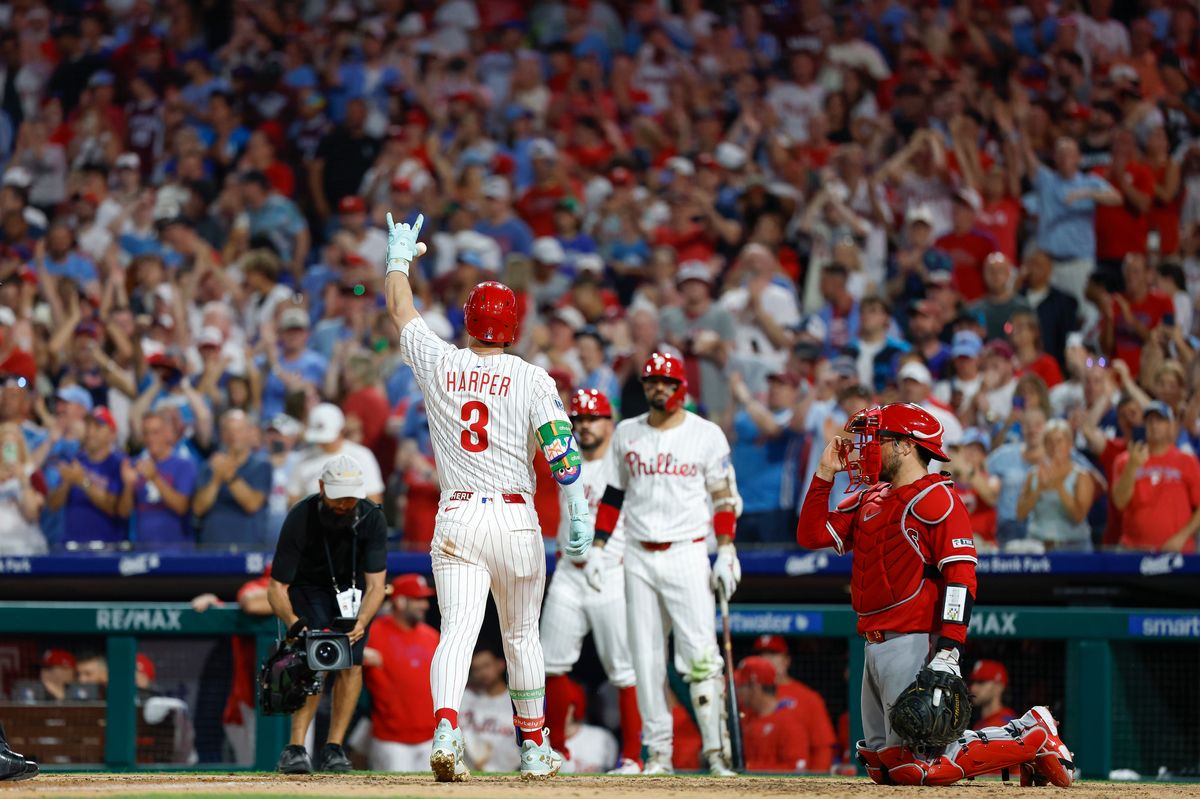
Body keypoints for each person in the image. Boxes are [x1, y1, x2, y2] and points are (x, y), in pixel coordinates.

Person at [382, 212, 591, 780]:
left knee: (457, 633)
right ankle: (532, 747)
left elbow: (401, 310)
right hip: (517, 519)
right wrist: (576, 504)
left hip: (458, 516)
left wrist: (399, 261)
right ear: (514, 327)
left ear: (469, 321)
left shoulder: (443, 362)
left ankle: (447, 729)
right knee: (522, 635)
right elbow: (561, 450)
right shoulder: (532, 377)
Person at [795, 402, 1073, 786]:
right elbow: (810, 535)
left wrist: (949, 649)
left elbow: (961, 577)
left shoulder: (937, 498)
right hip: (872, 642)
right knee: (884, 765)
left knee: (921, 765)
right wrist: (825, 474)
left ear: (908, 445)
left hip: (914, 639)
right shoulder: (868, 498)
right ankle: (1028, 738)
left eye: (880, 439)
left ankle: (1031, 735)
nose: (869, 447)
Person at [591, 351, 743, 776]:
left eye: (668, 381)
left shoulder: (706, 434)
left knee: (699, 656)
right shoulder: (625, 433)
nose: (660, 387)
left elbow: (723, 497)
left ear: (682, 387)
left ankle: (716, 753)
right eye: (653, 381)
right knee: (645, 659)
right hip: (638, 554)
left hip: (687, 552)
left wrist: (726, 550)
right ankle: (657, 754)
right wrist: (601, 547)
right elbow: (614, 495)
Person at [540, 389, 642, 773]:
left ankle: (633, 756)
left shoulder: (624, 465)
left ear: (608, 422)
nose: (584, 425)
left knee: (624, 669)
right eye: (579, 419)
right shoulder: (566, 462)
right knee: (550, 664)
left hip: (611, 570)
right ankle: (557, 751)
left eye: (592, 418)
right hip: (569, 570)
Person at [268, 454, 388, 774]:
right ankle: (295, 748)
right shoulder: (301, 517)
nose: (343, 504)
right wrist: (293, 623)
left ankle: (334, 748)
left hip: (354, 594)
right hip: (309, 588)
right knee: (316, 660)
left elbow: (377, 585)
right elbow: (277, 587)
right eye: (337, 497)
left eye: (350, 498)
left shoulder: (373, 518)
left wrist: (362, 621)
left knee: (352, 663)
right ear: (322, 488)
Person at [190, 564, 273, 766]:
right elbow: (251, 603)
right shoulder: (260, 587)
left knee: (298, 770)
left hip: (296, 698)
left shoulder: (315, 592)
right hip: (249, 705)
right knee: (258, 774)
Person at [362, 574, 440, 772]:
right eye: (418, 599)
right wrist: (358, 654)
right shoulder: (374, 632)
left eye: (425, 599)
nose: (425, 605)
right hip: (391, 740)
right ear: (400, 601)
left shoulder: (432, 636)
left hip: (431, 738)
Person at [1112, 401, 1200, 552]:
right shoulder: (1125, 460)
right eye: (1150, 421)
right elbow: (1119, 502)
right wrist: (1132, 467)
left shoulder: (1187, 461)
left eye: (1160, 420)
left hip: (1177, 551)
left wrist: (1182, 537)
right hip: (1134, 550)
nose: (1154, 425)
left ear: (1171, 426)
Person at [750, 635, 836, 772]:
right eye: (761, 655)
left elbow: (822, 748)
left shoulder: (809, 698)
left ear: (786, 660)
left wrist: (816, 784)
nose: (766, 660)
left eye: (773, 654)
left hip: (797, 779)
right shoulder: (749, 696)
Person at [117, 410, 197, 548]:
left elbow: (181, 507)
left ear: (167, 433)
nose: (150, 438)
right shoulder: (135, 465)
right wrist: (128, 486)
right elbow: (124, 513)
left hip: (177, 550)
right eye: (146, 433)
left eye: (155, 432)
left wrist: (155, 478)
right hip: (142, 549)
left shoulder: (184, 465)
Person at [46, 407, 125, 547]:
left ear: (112, 434)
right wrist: (66, 484)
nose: (91, 431)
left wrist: (82, 481)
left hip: (107, 548)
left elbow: (114, 508)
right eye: (88, 425)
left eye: (98, 426)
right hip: (72, 547)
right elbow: (53, 505)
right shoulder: (75, 460)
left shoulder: (119, 464)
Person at [192, 410, 272, 548]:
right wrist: (216, 478)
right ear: (222, 435)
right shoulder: (208, 467)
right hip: (211, 547)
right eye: (228, 431)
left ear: (250, 433)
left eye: (239, 430)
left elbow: (252, 504)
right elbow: (198, 508)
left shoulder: (262, 466)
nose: (233, 435)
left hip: (248, 548)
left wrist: (229, 475)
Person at [1017, 420, 1096, 551]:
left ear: (1070, 444)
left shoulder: (1082, 476)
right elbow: (1020, 514)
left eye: (1059, 441)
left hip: (1074, 547)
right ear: (1044, 445)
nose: (1055, 446)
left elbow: (1078, 516)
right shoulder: (1033, 474)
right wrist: (1038, 489)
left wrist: (1059, 486)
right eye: (1049, 441)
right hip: (1039, 545)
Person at [288, 403, 385, 506]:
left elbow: (374, 499)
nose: (322, 443)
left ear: (341, 430)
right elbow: (293, 499)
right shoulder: (303, 458)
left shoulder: (361, 456)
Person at [734, 656, 810, 772]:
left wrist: (748, 770)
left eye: (740, 686)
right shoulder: (747, 718)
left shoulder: (788, 722)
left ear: (755, 687)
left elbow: (796, 770)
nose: (737, 691)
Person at [459, 648, 521, 774]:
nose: (482, 672)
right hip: (471, 774)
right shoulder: (466, 698)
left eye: (486, 666)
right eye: (477, 669)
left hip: (510, 774)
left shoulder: (517, 701)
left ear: (500, 665)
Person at [968, 660, 1016, 730]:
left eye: (981, 682)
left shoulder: (1009, 725)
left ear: (998, 687)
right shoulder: (980, 724)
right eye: (973, 682)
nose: (973, 688)